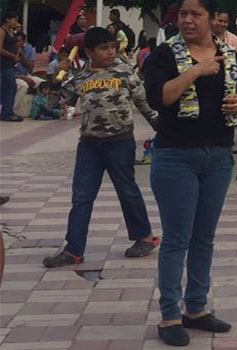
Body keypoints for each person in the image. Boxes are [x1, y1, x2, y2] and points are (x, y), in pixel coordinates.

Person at [144, 0, 237, 346]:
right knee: (176, 239)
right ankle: (168, 316)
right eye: (183, 14)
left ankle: (196, 308)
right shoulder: (164, 55)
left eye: (195, 14)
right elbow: (158, 98)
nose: (187, 20)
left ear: (212, 19)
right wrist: (195, 71)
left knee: (204, 237)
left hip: (218, 156)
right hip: (175, 156)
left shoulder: (230, 56)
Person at [41, 27, 161, 268]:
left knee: (127, 191)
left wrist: (164, 130)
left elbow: (145, 105)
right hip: (89, 145)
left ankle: (144, 237)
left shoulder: (125, 72)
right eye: (104, 48)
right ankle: (74, 249)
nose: (110, 52)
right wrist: (57, 79)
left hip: (120, 142)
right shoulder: (80, 78)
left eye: (112, 47)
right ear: (89, 52)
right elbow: (54, 100)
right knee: (81, 197)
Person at [1, 12, 24, 122]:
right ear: (7, 20)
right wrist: (13, 56)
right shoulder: (2, 31)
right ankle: (7, 113)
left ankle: (7, 110)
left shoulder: (12, 32)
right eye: (14, 20)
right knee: (10, 87)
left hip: (10, 63)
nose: (16, 22)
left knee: (8, 88)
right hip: (4, 63)